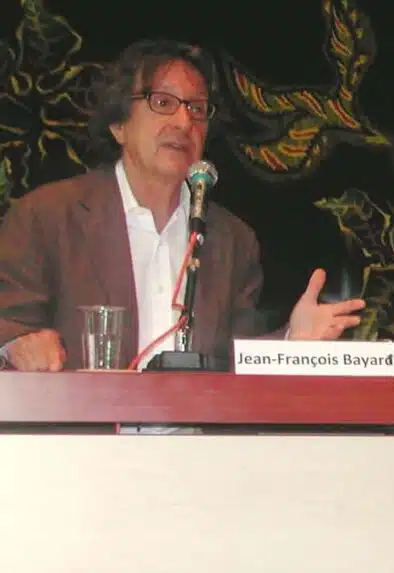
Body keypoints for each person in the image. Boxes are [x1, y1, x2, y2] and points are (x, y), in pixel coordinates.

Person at [0, 39, 365, 371]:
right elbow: (9, 325)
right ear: (118, 125)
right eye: (162, 103)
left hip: (196, 427)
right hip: (83, 425)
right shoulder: (47, 217)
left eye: (197, 108)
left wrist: (292, 344)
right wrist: (16, 345)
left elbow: (237, 367)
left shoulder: (231, 240)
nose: (183, 121)